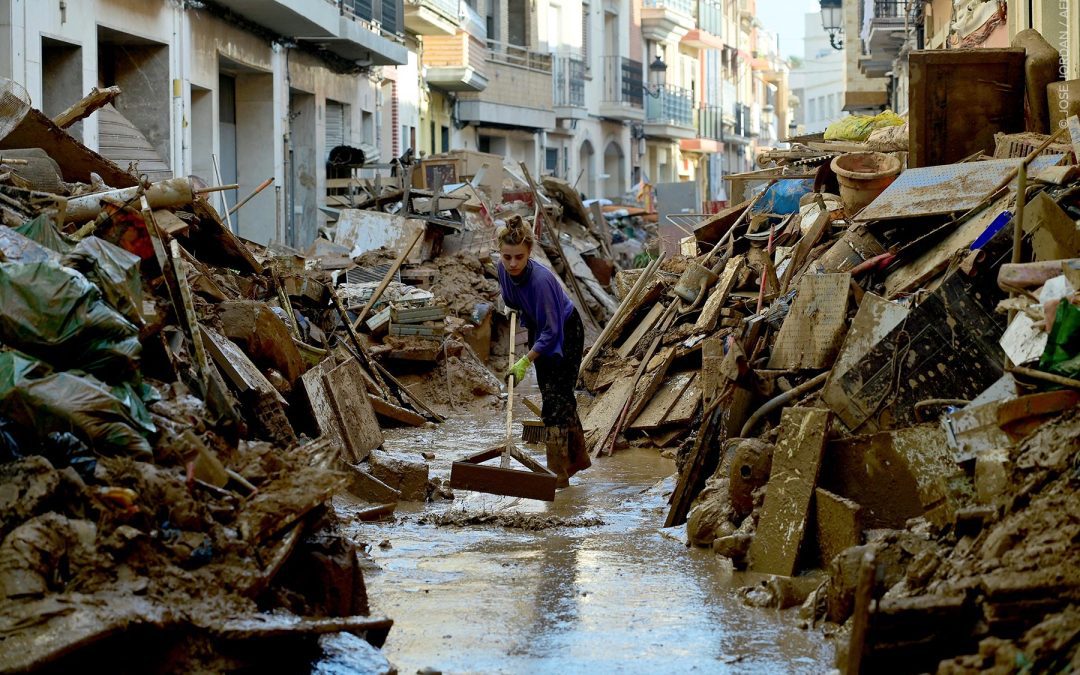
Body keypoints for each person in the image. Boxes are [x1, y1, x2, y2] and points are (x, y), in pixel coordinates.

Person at [496, 216, 590, 488]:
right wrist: (509, 305)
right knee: (555, 395)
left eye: (519, 257)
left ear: (529, 253)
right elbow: (510, 295)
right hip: (541, 326)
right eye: (507, 256)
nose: (513, 263)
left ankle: (558, 476)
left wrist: (525, 360)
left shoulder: (541, 281)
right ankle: (577, 460)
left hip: (565, 331)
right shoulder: (503, 269)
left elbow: (552, 332)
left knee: (555, 401)